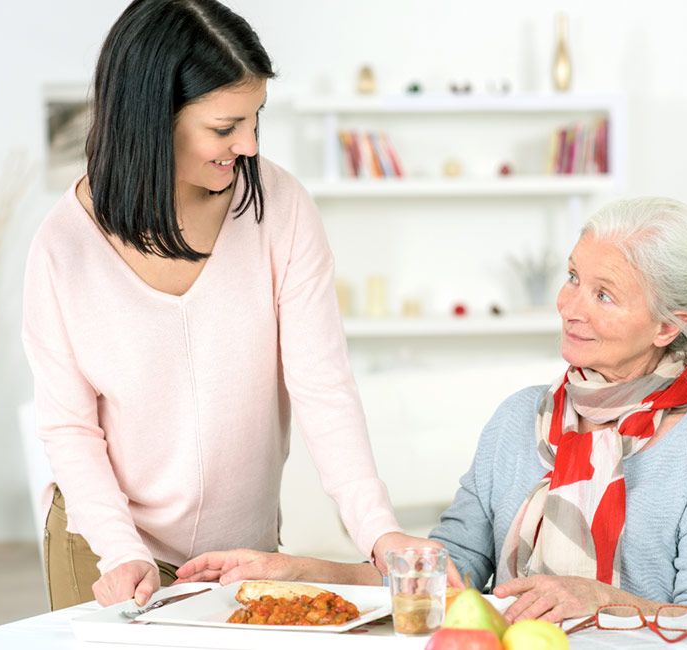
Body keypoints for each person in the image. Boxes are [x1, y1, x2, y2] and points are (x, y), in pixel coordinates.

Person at [21, 0, 435, 611]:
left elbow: (322, 386)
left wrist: (378, 533)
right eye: (223, 127)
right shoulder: (63, 247)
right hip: (106, 548)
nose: (247, 144)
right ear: (152, 119)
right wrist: (119, 549)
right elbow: (69, 426)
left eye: (255, 119)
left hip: (242, 555)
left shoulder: (281, 211)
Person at [177, 197, 687, 622]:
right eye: (573, 278)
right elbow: (446, 574)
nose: (570, 307)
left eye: (603, 294)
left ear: (667, 325)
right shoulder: (518, 419)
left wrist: (600, 597)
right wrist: (299, 573)